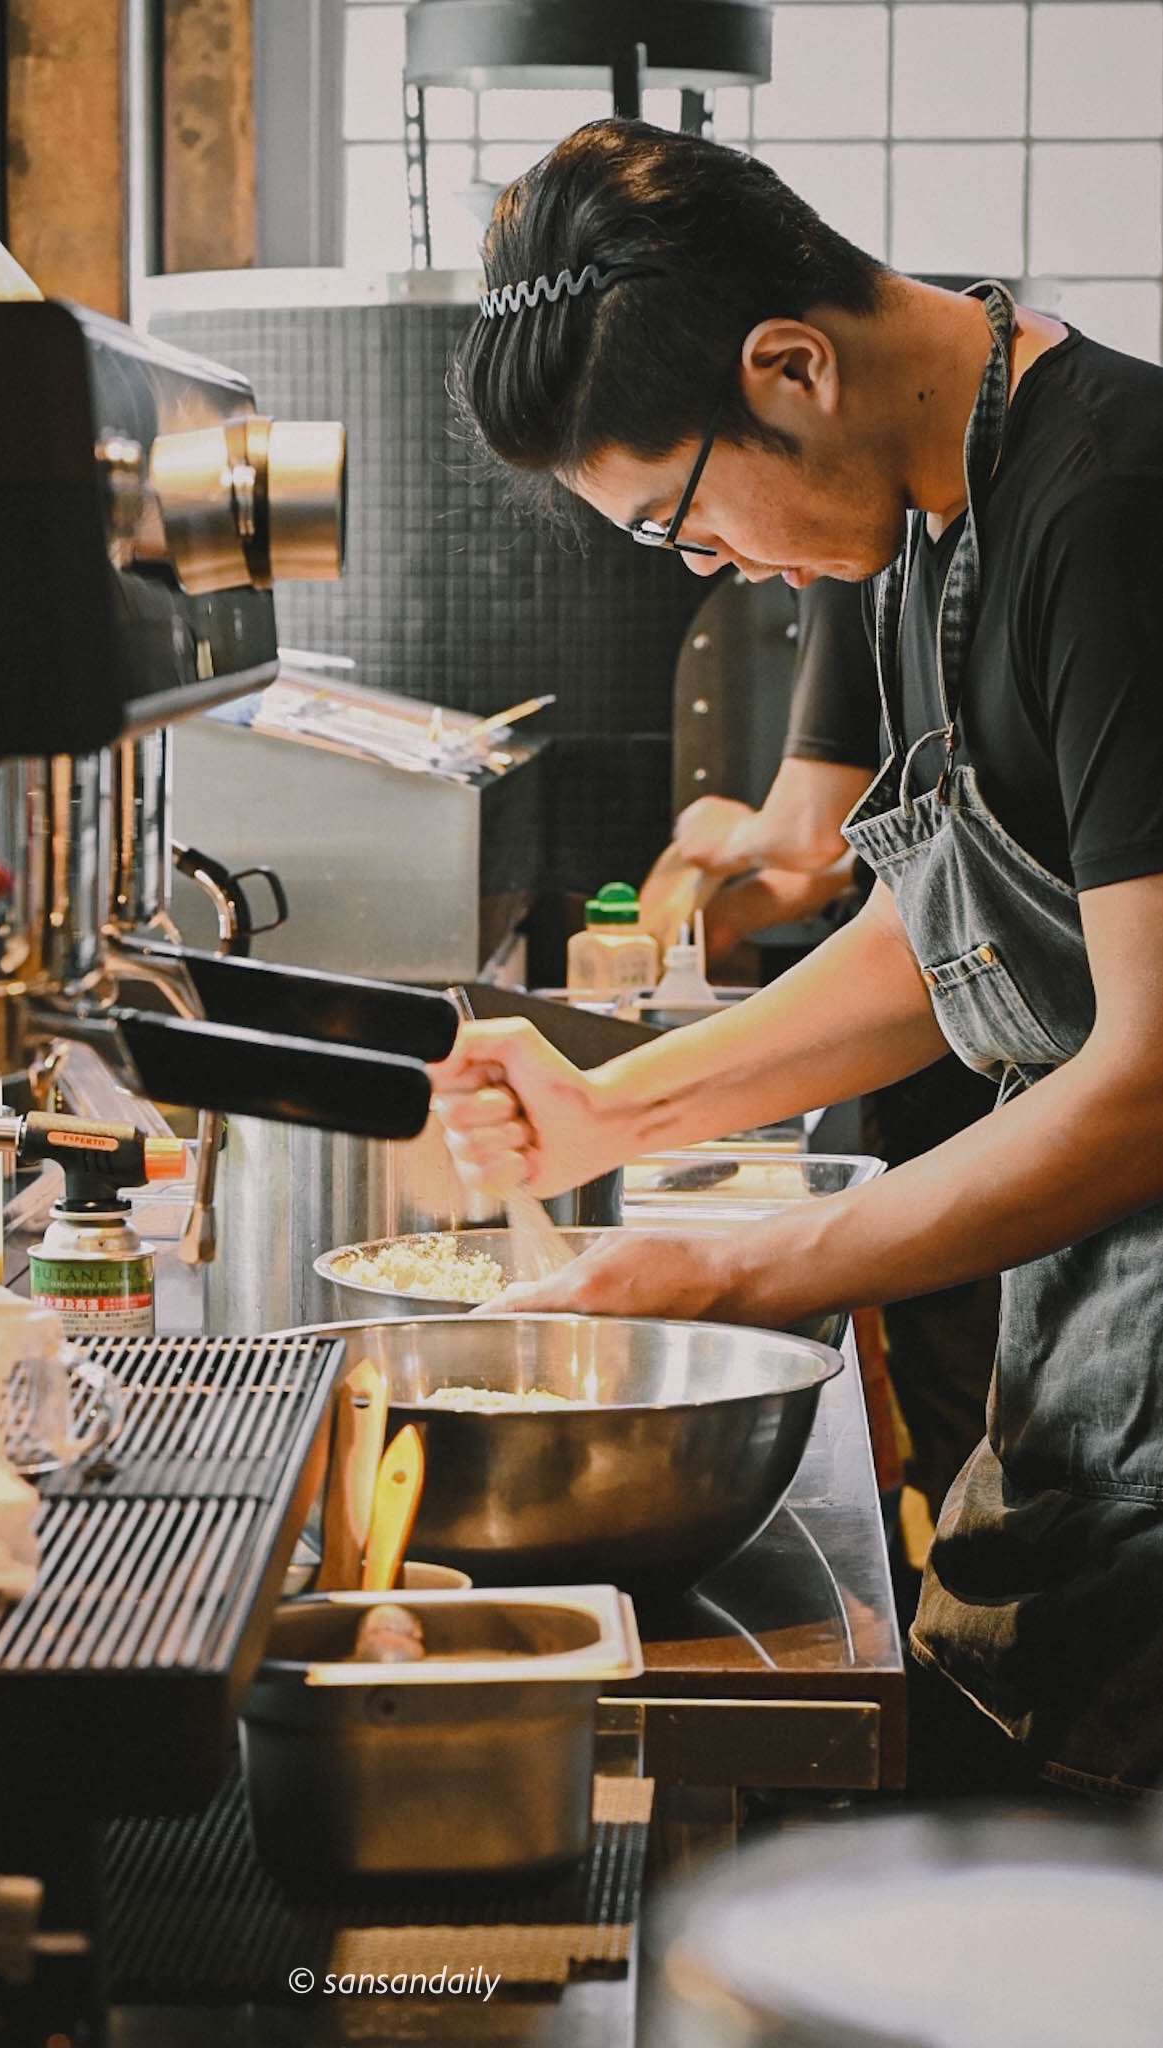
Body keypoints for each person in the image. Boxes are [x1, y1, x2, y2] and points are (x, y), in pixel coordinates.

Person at [430, 118, 1163, 1801]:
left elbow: (1140, 1081)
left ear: (789, 366)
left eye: (678, 525)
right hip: (1099, 1353)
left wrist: (740, 1273)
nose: (709, 566)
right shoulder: (921, 513)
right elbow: (944, 933)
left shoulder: (1109, 510)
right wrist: (614, 1110)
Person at [654, 578, 1001, 1525]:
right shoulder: (906, 569)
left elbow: (814, 831)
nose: (719, 564)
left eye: (675, 522)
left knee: (970, 1370)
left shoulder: (866, 557)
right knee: (958, 1370)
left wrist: (727, 833)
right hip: (952, 1065)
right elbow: (896, 883)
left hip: (981, 1082)